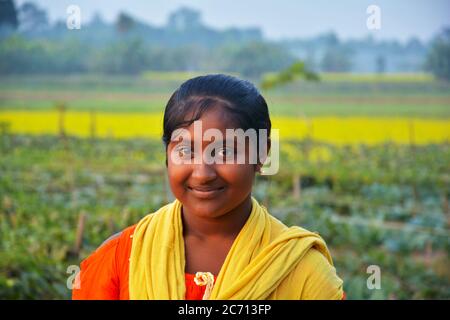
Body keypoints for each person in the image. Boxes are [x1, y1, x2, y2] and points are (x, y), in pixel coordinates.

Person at [72, 74, 344, 300]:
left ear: (262, 153)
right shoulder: (120, 261)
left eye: (224, 151)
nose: (202, 173)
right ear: (167, 153)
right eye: (186, 151)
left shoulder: (302, 272)